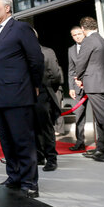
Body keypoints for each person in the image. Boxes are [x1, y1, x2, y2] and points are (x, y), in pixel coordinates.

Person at [0, 0, 44, 198]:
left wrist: (35, 84)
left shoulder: (20, 28)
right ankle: (14, 176)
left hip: (18, 94)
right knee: (7, 141)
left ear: (7, 8)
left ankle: (29, 182)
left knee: (22, 140)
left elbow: (36, 59)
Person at [74, 16, 104, 163]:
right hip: (102, 82)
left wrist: (78, 77)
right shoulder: (102, 40)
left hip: (94, 83)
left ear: (83, 28)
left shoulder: (88, 40)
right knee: (101, 119)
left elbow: (82, 61)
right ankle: (102, 148)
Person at [37, 36, 62, 172]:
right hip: (28, 95)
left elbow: (56, 74)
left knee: (46, 127)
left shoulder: (47, 51)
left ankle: (51, 158)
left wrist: (49, 88)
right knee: (34, 127)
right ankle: (39, 156)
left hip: (43, 92)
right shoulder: (22, 53)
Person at [67, 26, 89, 152]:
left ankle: (102, 143)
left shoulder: (90, 46)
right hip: (78, 88)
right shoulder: (71, 50)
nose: (77, 37)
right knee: (79, 116)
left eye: (79, 34)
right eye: (74, 35)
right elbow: (71, 70)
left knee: (99, 116)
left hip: (93, 85)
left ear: (84, 33)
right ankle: (80, 142)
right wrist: (71, 87)